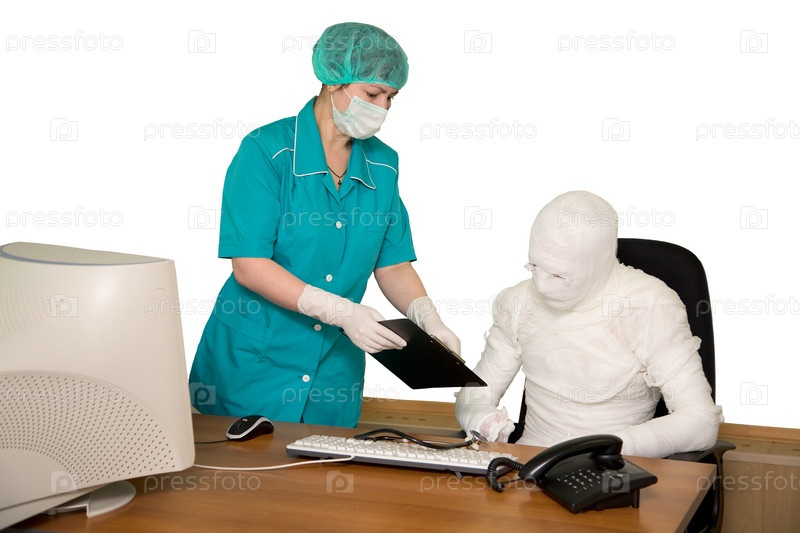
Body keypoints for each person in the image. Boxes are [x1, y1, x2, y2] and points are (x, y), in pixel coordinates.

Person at [189, 22, 459, 427]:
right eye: (373, 93)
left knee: (325, 465)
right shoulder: (266, 152)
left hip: (333, 372)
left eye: (391, 97)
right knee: (234, 465)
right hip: (254, 362)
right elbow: (249, 265)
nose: (383, 108)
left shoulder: (384, 165)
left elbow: (392, 264)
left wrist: (428, 319)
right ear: (334, 81)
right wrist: (341, 312)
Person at [455, 191, 723, 457]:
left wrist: (611, 447)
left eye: (559, 276)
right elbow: (476, 393)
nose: (542, 285)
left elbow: (700, 421)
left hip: (612, 467)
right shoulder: (519, 303)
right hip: (526, 464)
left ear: (599, 263)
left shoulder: (649, 306)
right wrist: (481, 420)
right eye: (535, 267)